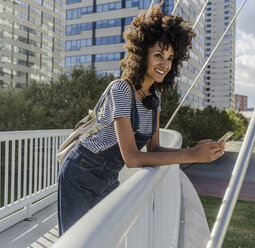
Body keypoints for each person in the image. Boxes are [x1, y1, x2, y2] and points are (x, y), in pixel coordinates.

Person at [57, 3, 225, 236]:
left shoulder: (154, 97)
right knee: (74, 240)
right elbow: (133, 158)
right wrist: (192, 156)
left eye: (169, 58)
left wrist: (195, 149)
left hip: (107, 177)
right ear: (141, 53)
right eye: (158, 55)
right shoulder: (121, 90)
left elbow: (154, 147)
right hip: (80, 173)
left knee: (106, 239)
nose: (164, 64)